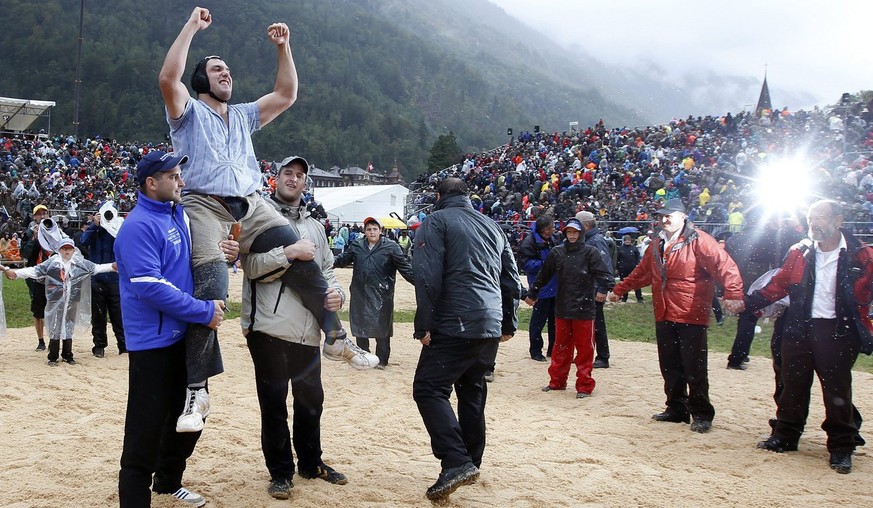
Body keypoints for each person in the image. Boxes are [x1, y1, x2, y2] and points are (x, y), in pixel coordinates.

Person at [159, 7, 353, 432]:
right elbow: (167, 79)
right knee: (211, 295)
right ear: (201, 80)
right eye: (216, 69)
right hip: (205, 205)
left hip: (251, 203)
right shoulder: (187, 111)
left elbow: (286, 94)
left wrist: (285, 48)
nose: (225, 73)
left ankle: (337, 336)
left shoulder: (245, 114)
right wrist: (193, 26)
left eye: (228, 69)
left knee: (299, 250)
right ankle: (196, 391)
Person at [116, 150, 228, 507]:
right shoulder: (137, 226)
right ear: (152, 183)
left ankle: (168, 482)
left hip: (185, 336)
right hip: (153, 344)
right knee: (144, 431)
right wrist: (203, 311)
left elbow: (187, 261)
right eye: (173, 176)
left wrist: (224, 250)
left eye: (180, 174)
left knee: (193, 417)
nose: (182, 181)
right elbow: (150, 286)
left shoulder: (176, 212)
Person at [241, 155, 356, 500]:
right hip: (269, 329)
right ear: (275, 179)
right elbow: (249, 266)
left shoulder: (317, 227)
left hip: (308, 330)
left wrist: (337, 293)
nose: (294, 179)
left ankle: (310, 463)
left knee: (311, 402)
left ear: (306, 183)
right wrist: (288, 252)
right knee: (273, 405)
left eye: (300, 175)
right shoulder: (258, 218)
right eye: (287, 173)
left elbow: (328, 271)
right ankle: (280, 473)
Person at [411, 177, 521, 502]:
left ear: (439, 196)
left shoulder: (436, 221)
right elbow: (511, 279)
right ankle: (471, 460)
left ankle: (457, 461)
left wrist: (424, 324)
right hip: (489, 322)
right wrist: (508, 321)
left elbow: (428, 276)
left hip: (455, 321)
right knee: (472, 390)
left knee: (429, 388)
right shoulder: (492, 226)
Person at [747, 200, 873, 474]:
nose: (814, 223)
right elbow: (780, 284)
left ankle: (841, 447)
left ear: (838, 220)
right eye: (810, 218)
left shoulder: (862, 255)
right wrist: (750, 303)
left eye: (821, 218)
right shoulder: (799, 252)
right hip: (799, 327)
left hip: (839, 331)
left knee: (836, 390)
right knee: (793, 384)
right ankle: (786, 436)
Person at [608, 198, 744, 433]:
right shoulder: (657, 243)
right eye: (661, 216)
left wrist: (734, 292)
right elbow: (643, 272)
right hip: (664, 311)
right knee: (669, 363)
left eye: (668, 216)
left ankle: (701, 412)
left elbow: (725, 266)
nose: (663, 220)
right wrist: (620, 289)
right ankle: (676, 407)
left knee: (694, 365)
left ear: (683, 217)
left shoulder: (700, 240)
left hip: (691, 311)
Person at [525, 218, 613, 398]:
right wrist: (533, 292)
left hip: (584, 308)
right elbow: (544, 274)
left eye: (575, 232)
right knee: (560, 347)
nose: (572, 235)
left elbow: (604, 274)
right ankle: (557, 381)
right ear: (565, 233)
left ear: (581, 233)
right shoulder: (558, 252)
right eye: (569, 232)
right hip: (563, 306)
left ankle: (584, 385)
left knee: (584, 349)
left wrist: (609, 288)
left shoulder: (590, 252)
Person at [4, 237, 115, 366]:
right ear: (59, 250)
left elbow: (96, 268)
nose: (67, 251)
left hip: (72, 300)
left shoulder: (80, 263)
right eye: (64, 249)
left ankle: (68, 354)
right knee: (55, 325)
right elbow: (35, 271)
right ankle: (53, 356)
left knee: (68, 325)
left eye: (69, 249)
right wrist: (16, 274)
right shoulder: (52, 263)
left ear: (73, 250)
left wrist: (112, 266)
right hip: (56, 300)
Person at [334, 216, 414, 369]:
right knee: (360, 327)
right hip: (359, 293)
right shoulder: (357, 245)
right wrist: (327, 262)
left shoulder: (391, 247)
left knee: (381, 328)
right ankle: (364, 357)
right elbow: (343, 259)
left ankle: (382, 360)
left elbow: (405, 268)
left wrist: (421, 283)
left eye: (374, 229)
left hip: (381, 295)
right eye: (369, 229)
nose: (372, 232)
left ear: (381, 230)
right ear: (364, 231)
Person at [80, 206, 126, 357]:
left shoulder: (118, 229)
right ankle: (99, 346)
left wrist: (115, 224)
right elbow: (83, 241)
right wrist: (95, 225)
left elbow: (127, 244)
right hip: (97, 278)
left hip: (115, 278)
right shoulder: (95, 230)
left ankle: (123, 344)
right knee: (98, 315)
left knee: (118, 314)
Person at [515, 215, 559, 361]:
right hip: (540, 287)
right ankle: (535, 350)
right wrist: (545, 264)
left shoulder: (553, 239)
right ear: (544, 230)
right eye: (551, 227)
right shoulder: (529, 242)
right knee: (537, 322)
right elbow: (524, 264)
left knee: (555, 322)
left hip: (555, 287)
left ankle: (553, 350)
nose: (554, 229)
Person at [576, 211, 614, 369]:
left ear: (585, 225)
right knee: (584, 324)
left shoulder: (596, 241)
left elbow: (605, 266)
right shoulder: (587, 239)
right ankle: (585, 353)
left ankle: (603, 356)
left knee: (597, 324)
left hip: (594, 289)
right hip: (585, 289)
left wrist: (603, 289)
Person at [25, 204, 52, 351]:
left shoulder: (54, 230)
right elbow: (25, 254)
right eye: (39, 214)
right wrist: (34, 239)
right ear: (34, 217)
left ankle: (54, 339)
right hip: (37, 277)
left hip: (54, 276)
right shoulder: (29, 233)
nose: (42, 216)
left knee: (55, 308)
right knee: (38, 310)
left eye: (44, 213)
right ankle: (41, 340)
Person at [615, 234, 643, 302]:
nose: (627, 241)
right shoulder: (620, 248)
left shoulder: (634, 248)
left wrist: (638, 266)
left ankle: (639, 298)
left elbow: (637, 258)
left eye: (629, 240)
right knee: (624, 283)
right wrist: (616, 268)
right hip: (623, 268)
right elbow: (617, 259)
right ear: (624, 241)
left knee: (636, 283)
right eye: (626, 240)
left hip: (633, 268)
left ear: (631, 241)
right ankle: (624, 297)